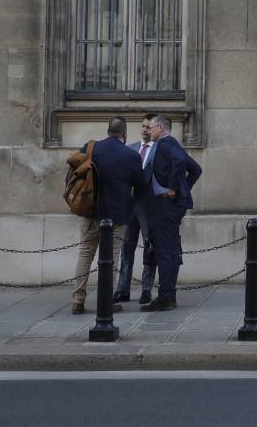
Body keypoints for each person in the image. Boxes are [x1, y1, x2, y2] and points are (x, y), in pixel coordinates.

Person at [72, 116, 146, 315]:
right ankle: (106, 300)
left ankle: (78, 300)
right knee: (111, 258)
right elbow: (140, 186)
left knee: (85, 254)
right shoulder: (130, 155)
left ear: (107, 131)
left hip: (90, 211)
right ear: (124, 134)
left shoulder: (90, 147)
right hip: (117, 214)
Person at [140, 114, 202, 312]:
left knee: (164, 251)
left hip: (166, 205)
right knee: (171, 249)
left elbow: (181, 163)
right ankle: (170, 295)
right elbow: (196, 169)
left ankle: (165, 296)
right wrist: (184, 188)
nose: (148, 131)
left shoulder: (166, 145)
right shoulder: (173, 144)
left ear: (159, 128)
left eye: (150, 128)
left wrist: (174, 188)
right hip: (173, 206)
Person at [113, 113, 159, 305]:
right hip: (129, 206)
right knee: (126, 248)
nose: (145, 130)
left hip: (149, 206)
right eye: (143, 126)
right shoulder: (130, 148)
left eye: (148, 127)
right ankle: (122, 289)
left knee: (149, 247)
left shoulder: (159, 149)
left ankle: (146, 289)